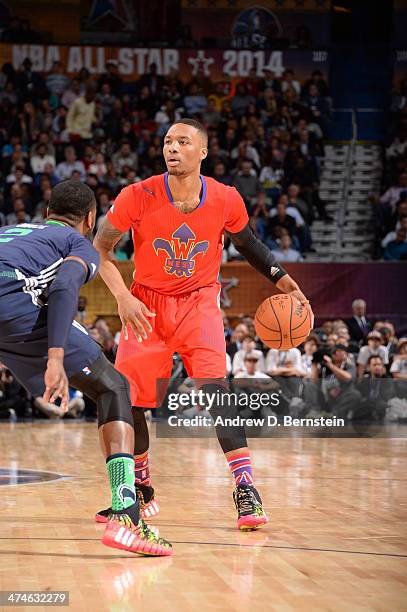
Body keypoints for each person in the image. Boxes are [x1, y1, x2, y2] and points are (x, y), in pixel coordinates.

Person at [94, 118, 313, 530]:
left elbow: (249, 245)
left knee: (217, 394)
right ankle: (139, 487)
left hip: (200, 304)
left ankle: (246, 488)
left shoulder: (227, 198)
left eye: (182, 141)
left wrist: (286, 282)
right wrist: (122, 297)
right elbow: (101, 249)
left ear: (203, 152)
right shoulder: (136, 195)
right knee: (133, 402)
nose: (172, 147)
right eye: (167, 141)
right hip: (146, 305)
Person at [0, 180, 171, 556]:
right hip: (13, 307)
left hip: (8, 308)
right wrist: (56, 358)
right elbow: (64, 287)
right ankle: (127, 516)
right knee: (114, 386)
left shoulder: (11, 231)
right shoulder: (77, 243)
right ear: (91, 218)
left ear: (47, 213)